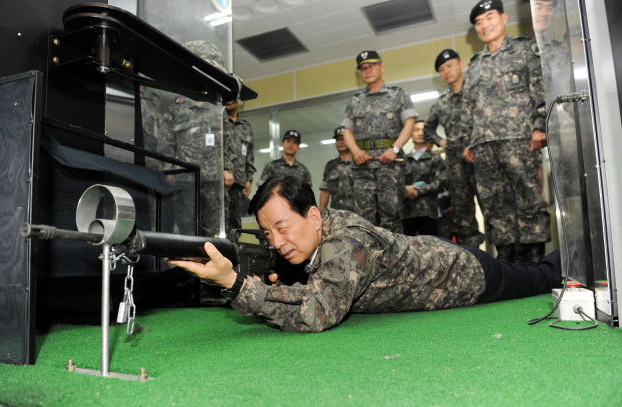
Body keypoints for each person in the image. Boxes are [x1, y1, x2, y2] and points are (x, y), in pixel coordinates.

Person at [167, 176, 562, 333]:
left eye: (282, 227)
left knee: (541, 276)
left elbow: (315, 314)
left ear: (315, 215)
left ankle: (583, 257)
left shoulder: (346, 243)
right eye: (267, 233)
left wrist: (234, 284)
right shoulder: (318, 236)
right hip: (437, 253)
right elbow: (315, 290)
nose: (277, 241)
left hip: (464, 274)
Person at [463, 0, 550, 263]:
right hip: (484, 146)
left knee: (528, 198)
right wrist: (469, 142)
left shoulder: (524, 49)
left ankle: (535, 261)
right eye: (479, 22)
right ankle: (507, 261)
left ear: (503, 18)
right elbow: (468, 106)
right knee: (494, 204)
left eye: (489, 18)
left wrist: (539, 126)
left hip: (519, 139)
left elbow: (541, 88)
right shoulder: (475, 63)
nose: (484, 25)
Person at [341, 50, 418, 234]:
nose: (367, 71)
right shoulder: (355, 100)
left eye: (372, 66)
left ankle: (395, 261)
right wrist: (355, 151)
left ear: (382, 67)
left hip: (390, 164)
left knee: (392, 216)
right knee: (364, 219)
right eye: (363, 68)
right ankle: (370, 261)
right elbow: (347, 130)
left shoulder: (398, 94)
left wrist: (395, 148)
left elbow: (410, 123)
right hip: (362, 166)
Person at [161, 41, 228, 237]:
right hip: (186, 178)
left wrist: (227, 169)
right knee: (186, 226)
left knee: (213, 228)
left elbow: (227, 144)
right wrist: (170, 171)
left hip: (213, 179)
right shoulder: (176, 110)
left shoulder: (217, 111)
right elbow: (166, 144)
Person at [424, 49, 484, 247]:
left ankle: (505, 264)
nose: (446, 71)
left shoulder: (477, 92)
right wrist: (442, 142)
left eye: (449, 65)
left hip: (482, 158)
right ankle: (475, 261)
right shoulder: (442, 102)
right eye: (441, 69)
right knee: (463, 216)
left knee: (494, 211)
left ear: (460, 64)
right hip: (456, 165)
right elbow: (427, 129)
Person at [403, 120, 447, 237]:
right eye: (416, 130)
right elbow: (394, 183)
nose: (420, 133)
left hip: (428, 212)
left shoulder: (436, 159)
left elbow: (440, 183)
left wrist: (417, 192)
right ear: (410, 133)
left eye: (424, 130)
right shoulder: (402, 160)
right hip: (405, 213)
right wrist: (405, 189)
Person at [223, 101, 256, 234]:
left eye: (233, 98)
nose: (229, 101)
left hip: (239, 181)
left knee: (235, 222)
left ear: (240, 101)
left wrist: (249, 179)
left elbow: (249, 154)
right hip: (220, 180)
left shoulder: (245, 126)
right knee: (220, 220)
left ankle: (232, 252)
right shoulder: (218, 121)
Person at [319, 126, 354, 212]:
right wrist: (321, 214)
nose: (341, 142)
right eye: (338, 140)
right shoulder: (331, 165)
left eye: (343, 139)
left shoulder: (359, 162)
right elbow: (325, 191)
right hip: (338, 216)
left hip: (360, 214)